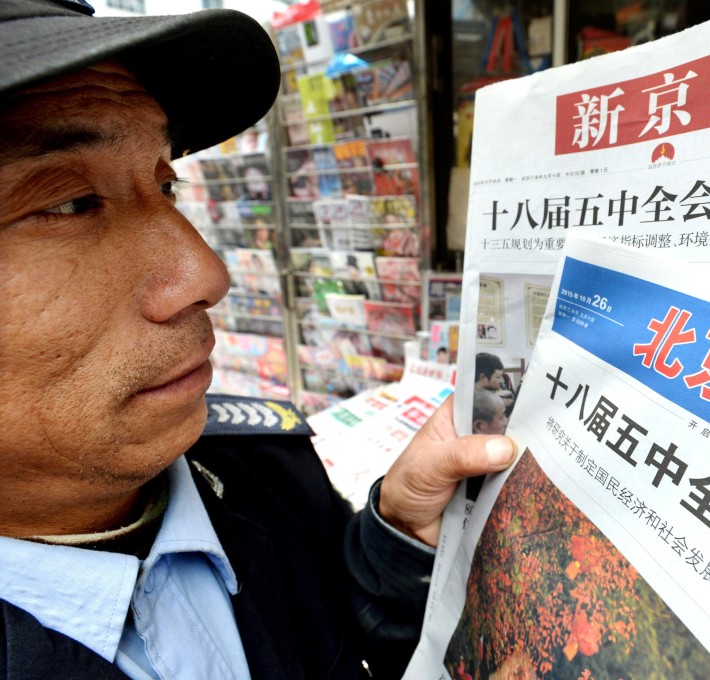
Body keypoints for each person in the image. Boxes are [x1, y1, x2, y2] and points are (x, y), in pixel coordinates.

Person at [0, 2, 517, 678]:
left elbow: (338, 613)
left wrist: (397, 538)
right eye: (70, 204)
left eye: (164, 183)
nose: (205, 274)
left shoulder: (266, 472)